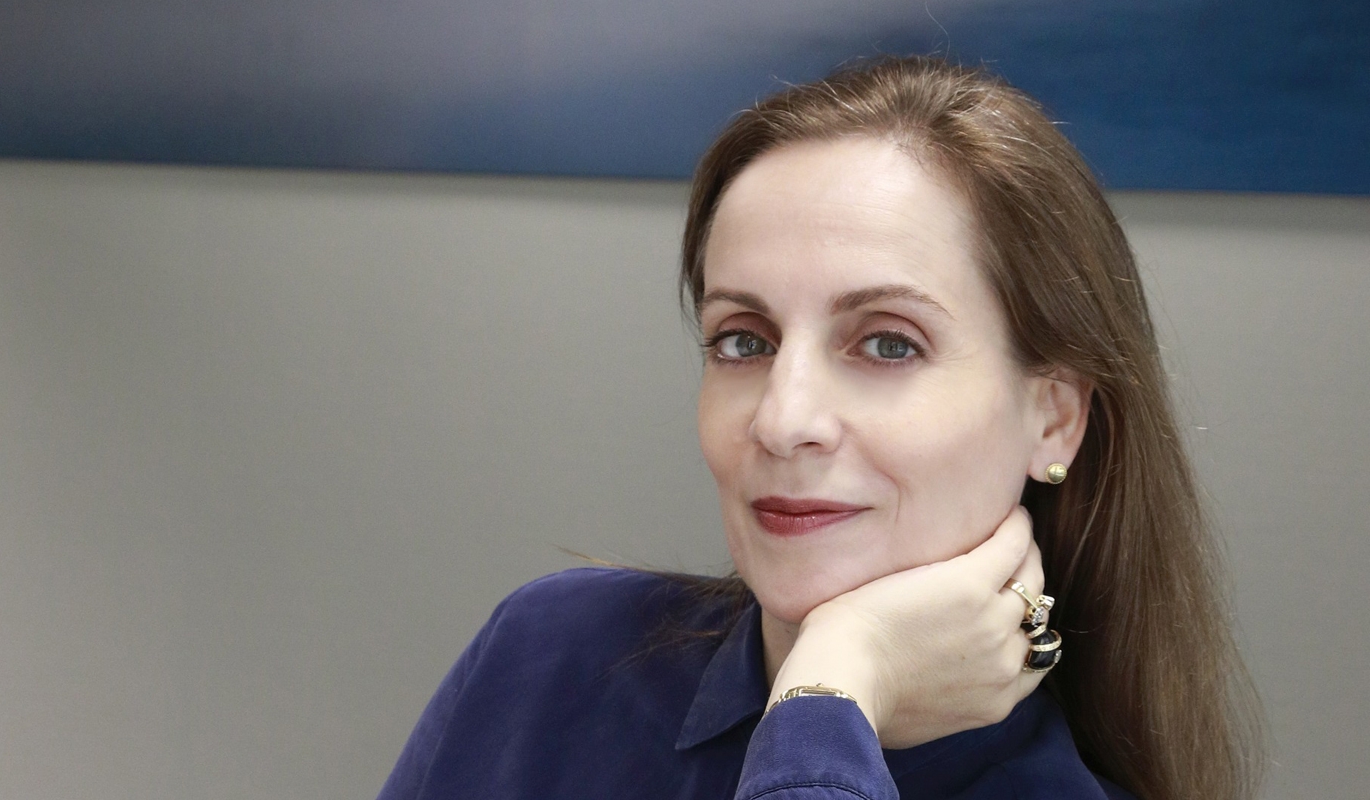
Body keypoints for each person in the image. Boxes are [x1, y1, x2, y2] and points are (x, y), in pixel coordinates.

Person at [378, 56, 1265, 800]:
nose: (783, 419)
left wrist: (830, 689)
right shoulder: (548, 657)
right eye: (743, 340)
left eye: (888, 343)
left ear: (1056, 419)